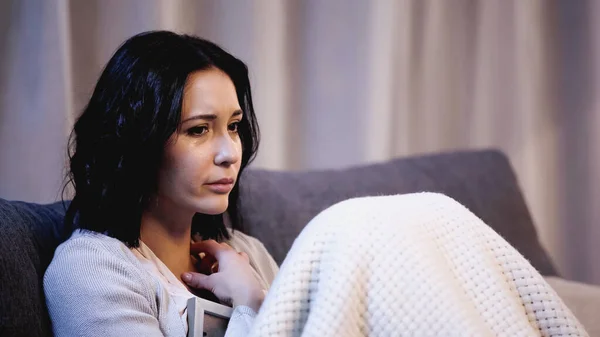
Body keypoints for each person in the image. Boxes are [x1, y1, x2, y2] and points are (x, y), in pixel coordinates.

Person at [45, 30, 588, 337]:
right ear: (136, 139)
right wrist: (256, 307)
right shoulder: (95, 269)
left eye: (233, 126)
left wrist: (255, 293)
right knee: (357, 227)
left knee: (425, 218)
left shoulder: (245, 254)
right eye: (198, 130)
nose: (229, 151)